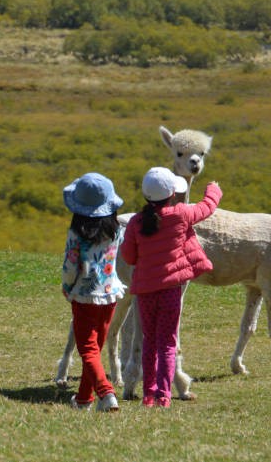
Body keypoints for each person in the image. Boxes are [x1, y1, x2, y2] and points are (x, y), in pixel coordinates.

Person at [121, 167, 222, 408]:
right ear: (172, 194)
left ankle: (148, 394)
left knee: (149, 341)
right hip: (170, 291)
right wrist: (213, 190)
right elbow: (206, 208)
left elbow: (128, 256)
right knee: (167, 342)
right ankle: (163, 395)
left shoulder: (136, 222)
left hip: (145, 292)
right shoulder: (181, 214)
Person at [61, 172, 126, 412]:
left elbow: (71, 266)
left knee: (87, 350)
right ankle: (83, 399)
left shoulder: (76, 235)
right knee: (95, 349)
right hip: (110, 294)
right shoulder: (115, 231)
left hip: (84, 295)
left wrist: (67, 287)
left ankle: (105, 392)